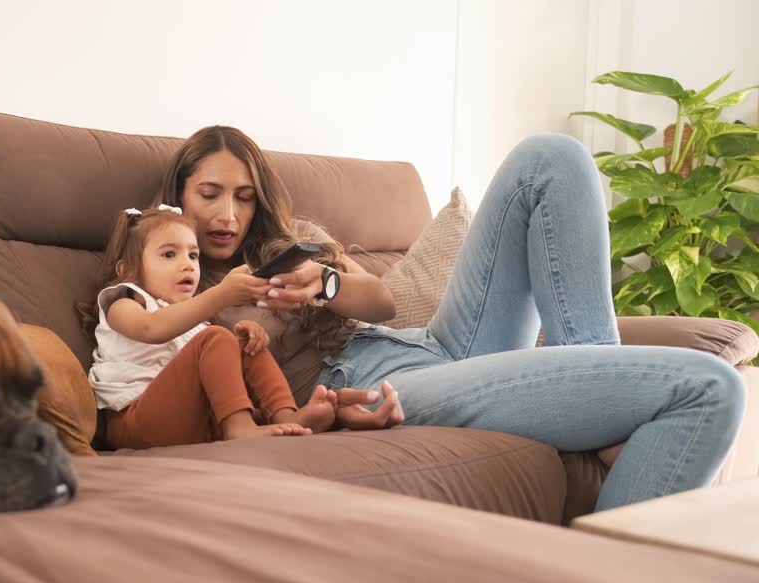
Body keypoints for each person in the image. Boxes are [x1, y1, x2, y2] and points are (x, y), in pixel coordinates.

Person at [156, 125, 746, 511]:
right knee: (710, 387)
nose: (227, 214)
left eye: (244, 196)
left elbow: (382, 304)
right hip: (367, 388)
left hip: (425, 342)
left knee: (550, 157)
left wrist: (326, 284)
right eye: (209, 194)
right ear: (179, 194)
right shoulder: (167, 272)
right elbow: (163, 365)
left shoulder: (292, 241)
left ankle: (606, 399)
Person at [81, 205, 338, 451]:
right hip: (135, 422)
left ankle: (287, 416)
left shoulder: (194, 321)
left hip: (192, 421)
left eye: (193, 255)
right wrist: (220, 295)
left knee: (244, 344)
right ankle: (239, 428)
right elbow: (152, 328)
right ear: (127, 270)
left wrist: (243, 340)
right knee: (216, 337)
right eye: (169, 254)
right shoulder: (124, 301)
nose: (187, 264)